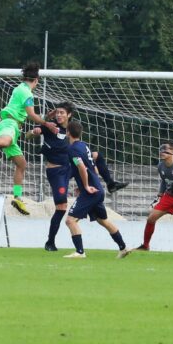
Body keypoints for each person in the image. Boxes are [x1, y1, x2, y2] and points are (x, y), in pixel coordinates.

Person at [25, 101, 128, 251]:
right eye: (58, 112)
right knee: (61, 207)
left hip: (71, 166)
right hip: (58, 171)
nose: (59, 115)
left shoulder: (73, 130)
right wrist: (33, 132)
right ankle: (50, 242)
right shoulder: (49, 125)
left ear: (69, 115)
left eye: (62, 113)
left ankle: (110, 183)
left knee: (96, 155)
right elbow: (28, 135)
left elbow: (84, 158)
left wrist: (86, 183)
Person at [0, 62, 58, 215]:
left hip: (13, 126)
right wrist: (47, 123)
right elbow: (31, 115)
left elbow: (30, 115)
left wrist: (45, 117)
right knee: (5, 141)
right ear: (36, 80)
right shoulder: (28, 94)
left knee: (21, 164)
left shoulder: (19, 88)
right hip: (10, 124)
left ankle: (17, 197)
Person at [62, 121, 129, 259]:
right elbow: (93, 168)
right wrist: (83, 184)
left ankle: (80, 252)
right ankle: (123, 247)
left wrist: (85, 186)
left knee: (70, 220)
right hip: (97, 190)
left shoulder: (72, 149)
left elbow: (81, 167)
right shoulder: (84, 146)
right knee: (103, 221)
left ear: (68, 132)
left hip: (90, 192)